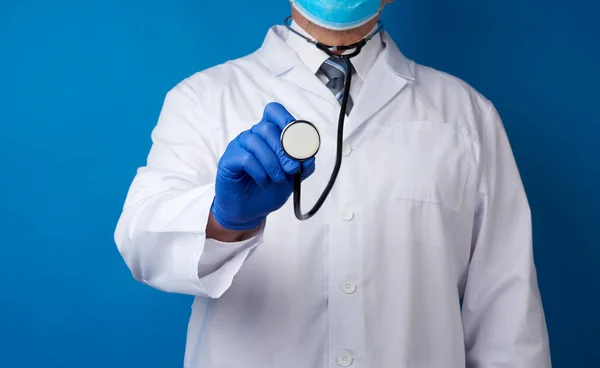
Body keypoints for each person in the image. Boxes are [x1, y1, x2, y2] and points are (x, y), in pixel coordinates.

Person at [114, 0, 551, 367]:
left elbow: (508, 319)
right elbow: (140, 243)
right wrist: (223, 220)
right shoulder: (204, 99)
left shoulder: (467, 117)